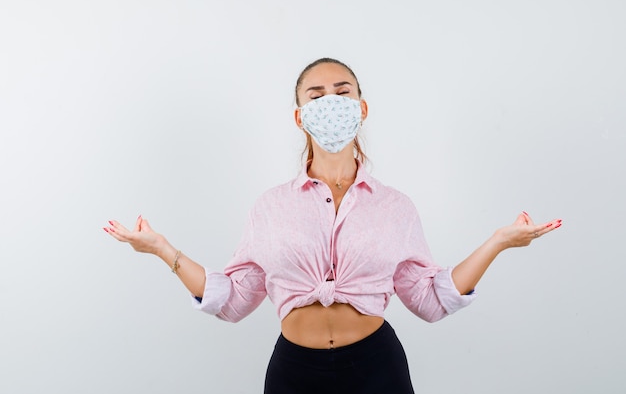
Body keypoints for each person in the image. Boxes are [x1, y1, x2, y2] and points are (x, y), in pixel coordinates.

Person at [104, 57, 562, 394]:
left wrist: (499, 242)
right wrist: (164, 250)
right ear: (300, 116)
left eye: (343, 93)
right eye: (316, 95)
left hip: (376, 368)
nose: (331, 102)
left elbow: (428, 299)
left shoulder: (395, 206)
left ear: (362, 108)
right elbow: (235, 300)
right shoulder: (270, 206)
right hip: (294, 373)